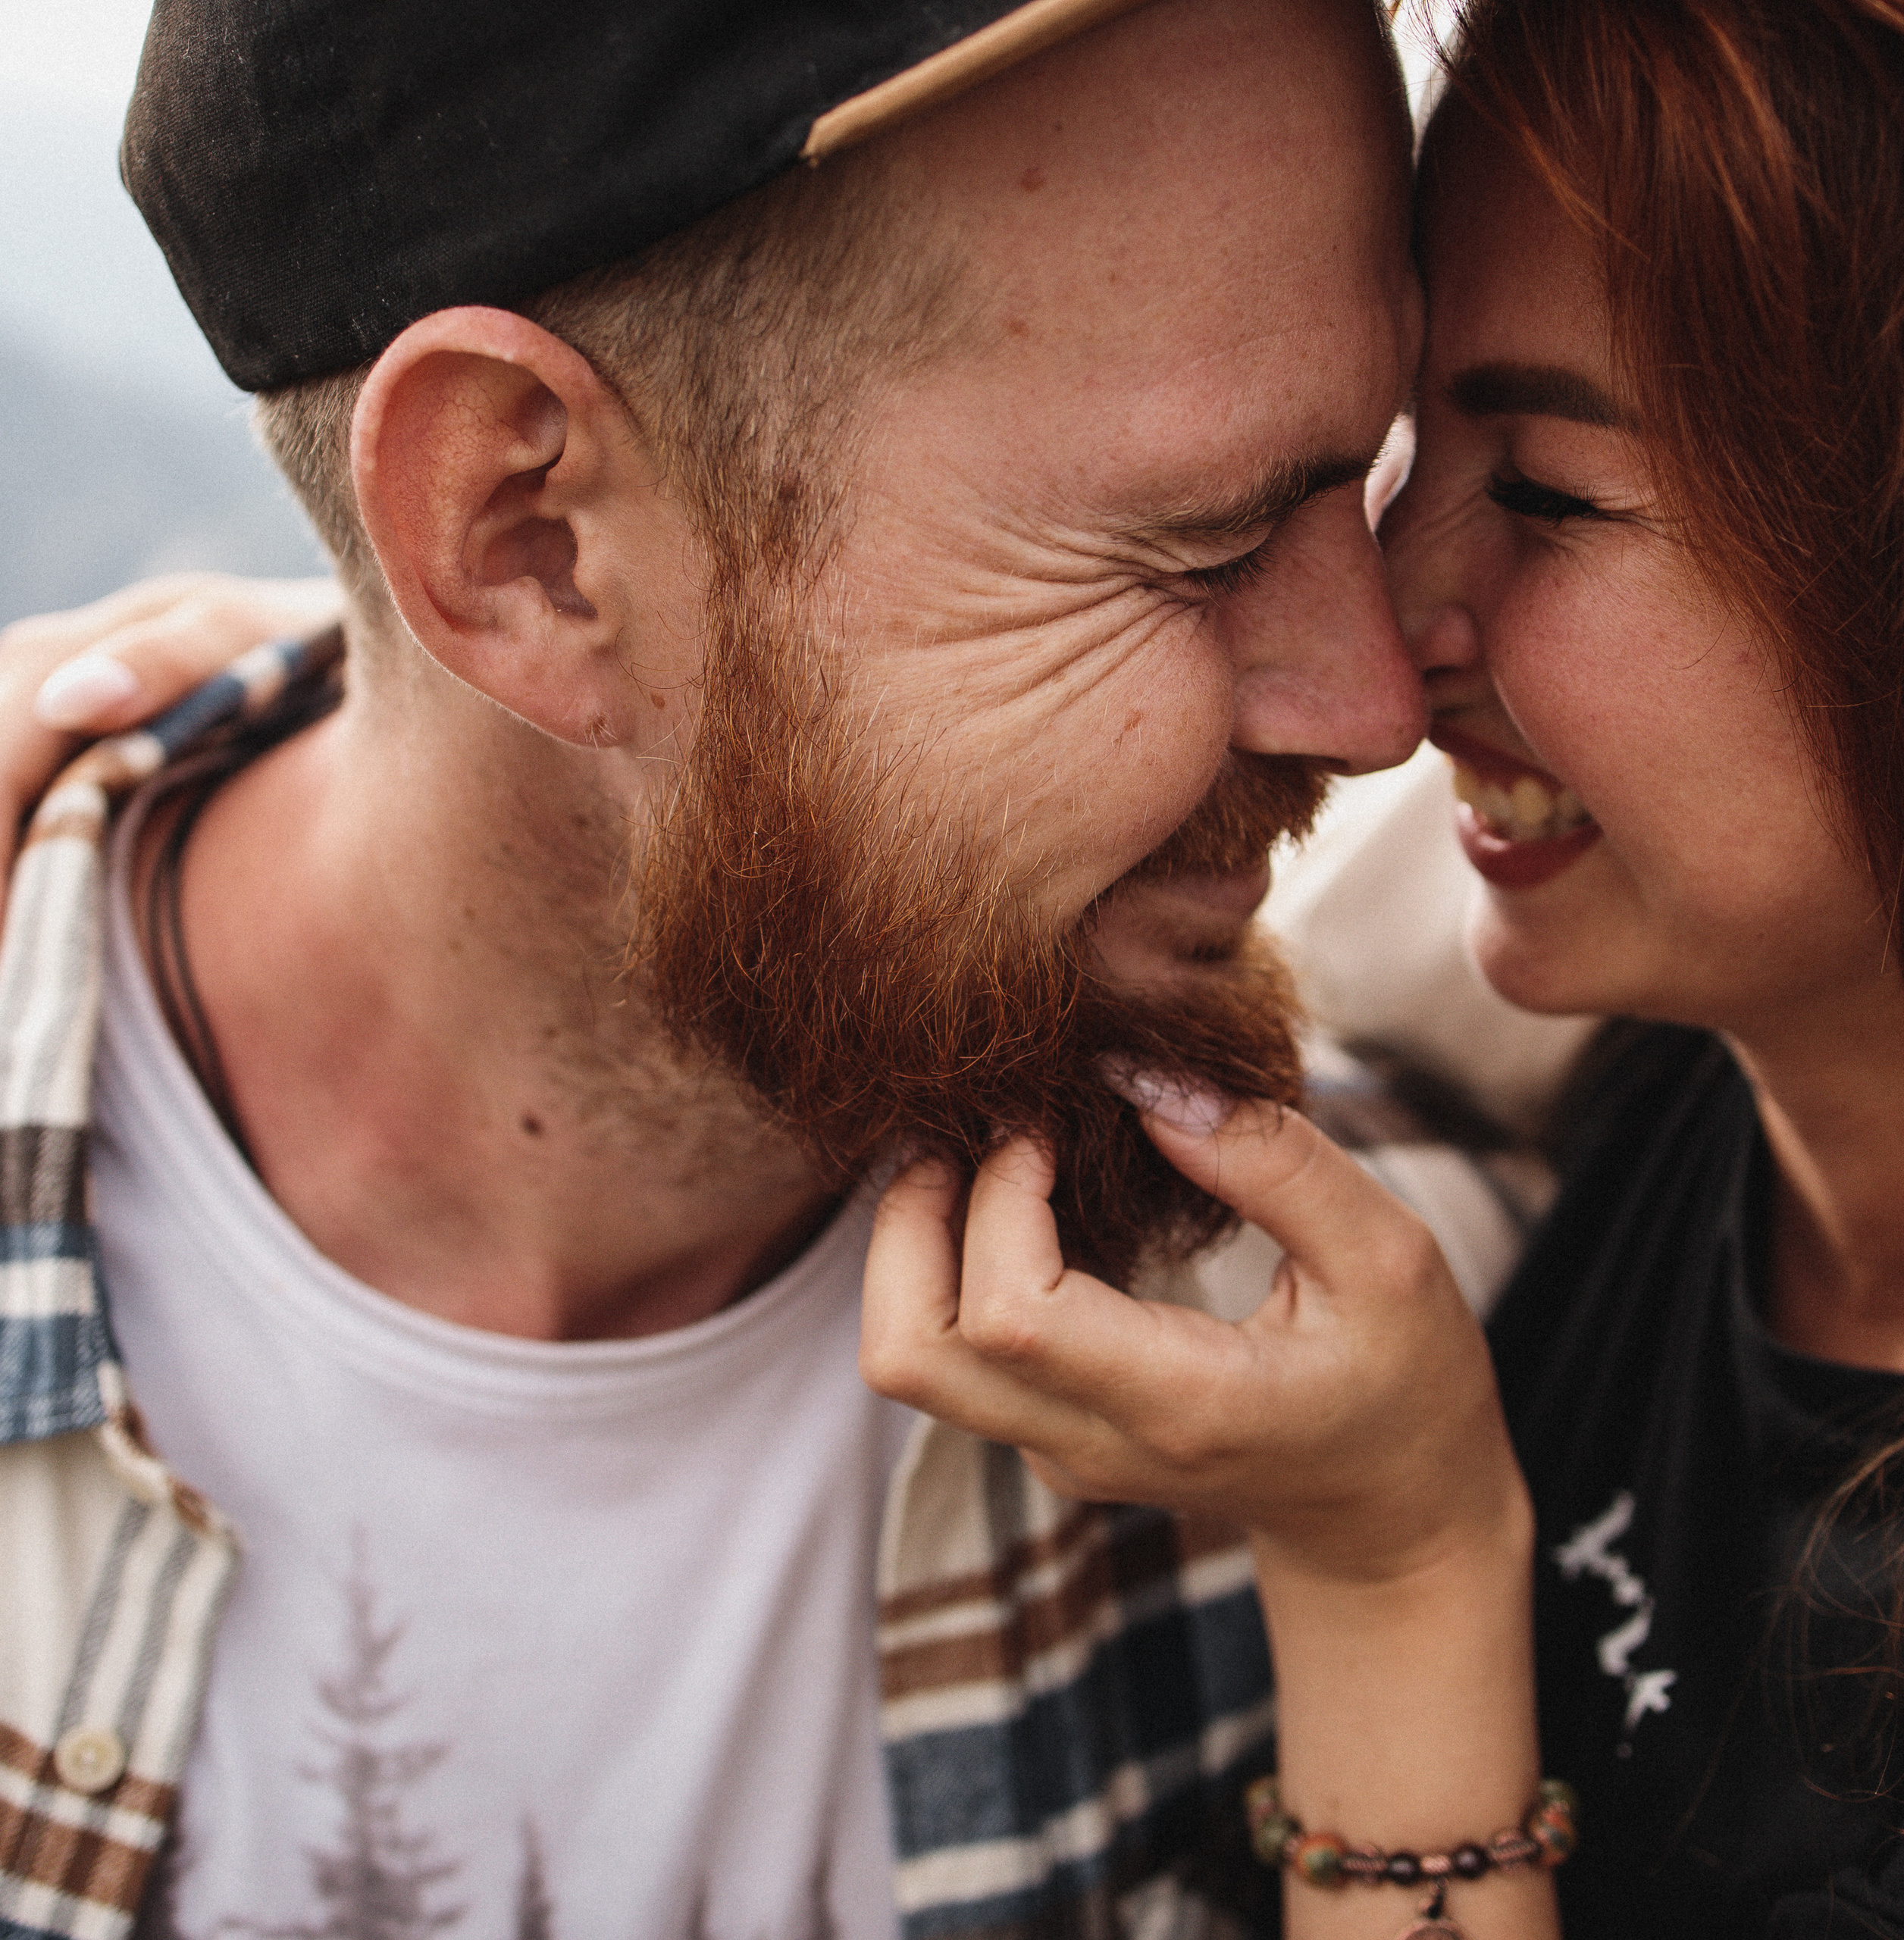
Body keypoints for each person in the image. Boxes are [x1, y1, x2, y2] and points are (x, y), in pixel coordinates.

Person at [0, 3, 1548, 1937]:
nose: (1378, 702)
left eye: (1372, 478)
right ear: (526, 540)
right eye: (1205, 546)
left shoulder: (1406, 1348)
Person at [859, 0, 1904, 1935]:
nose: (1381, 646)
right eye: (1393, 452)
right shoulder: (1636, 1035)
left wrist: (1393, 1563)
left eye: (1540, 489)